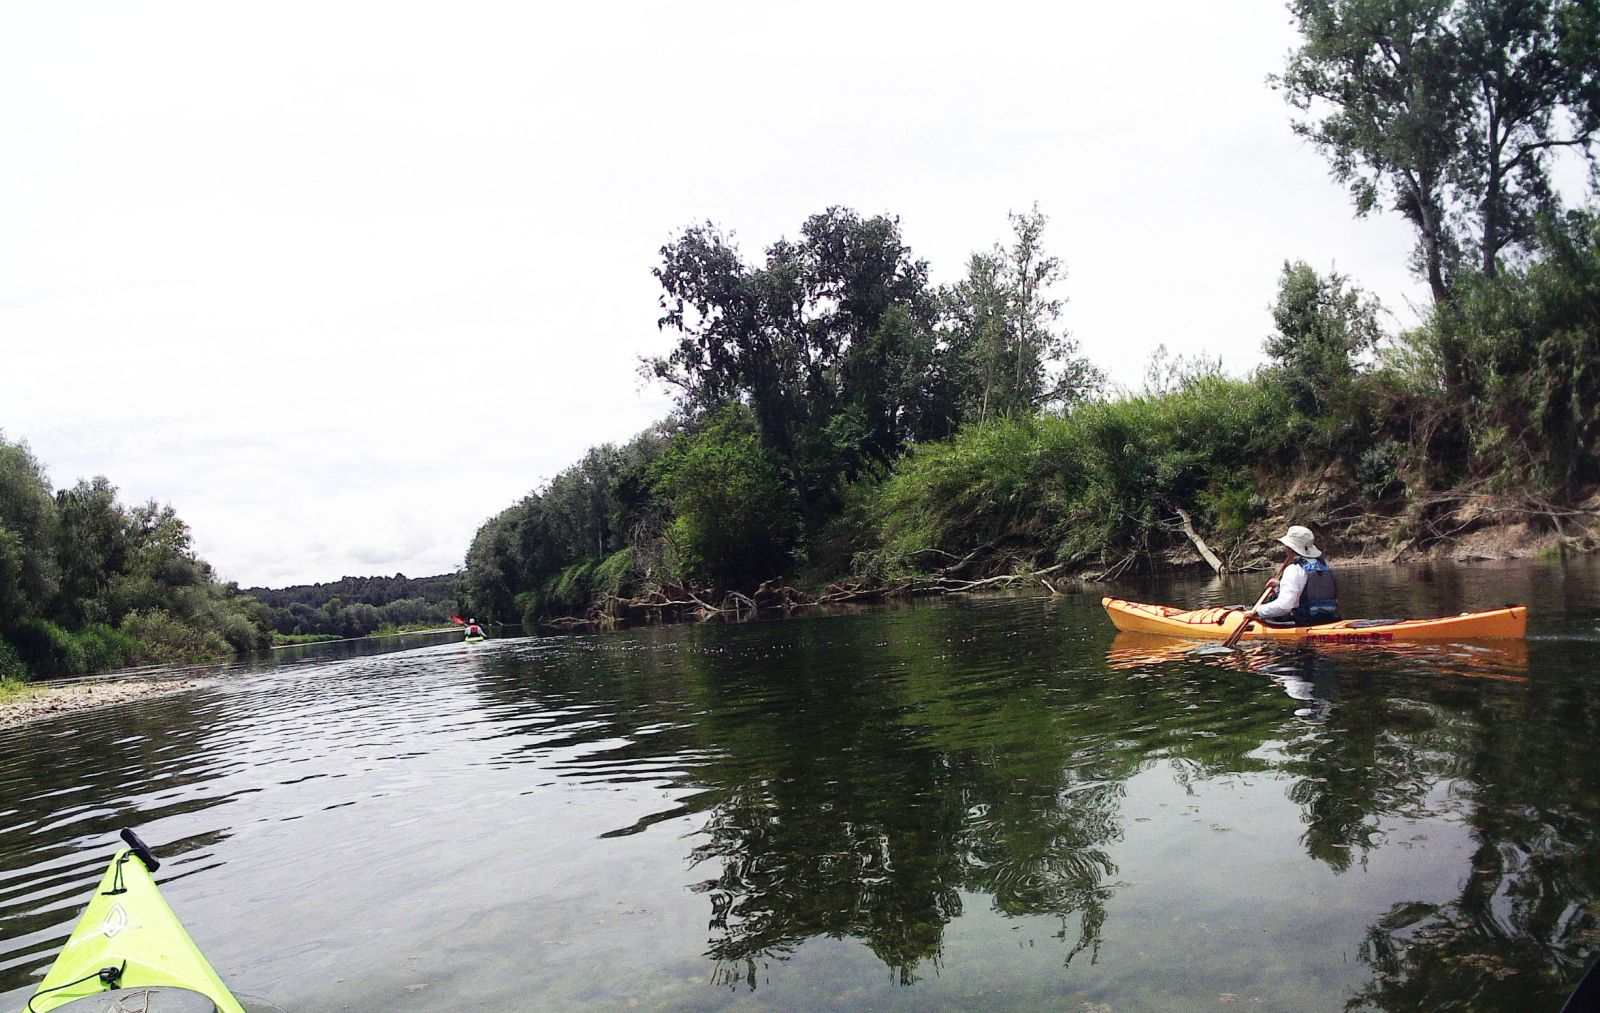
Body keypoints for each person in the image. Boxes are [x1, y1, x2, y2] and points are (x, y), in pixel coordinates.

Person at [1242, 524, 1339, 627]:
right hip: (1330, 619)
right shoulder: (1322, 565)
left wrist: (1257, 610)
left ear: (1290, 549)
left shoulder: (1294, 569)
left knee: (1269, 609)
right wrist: (1280, 586)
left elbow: (1285, 606)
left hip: (1305, 623)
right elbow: (1306, 589)